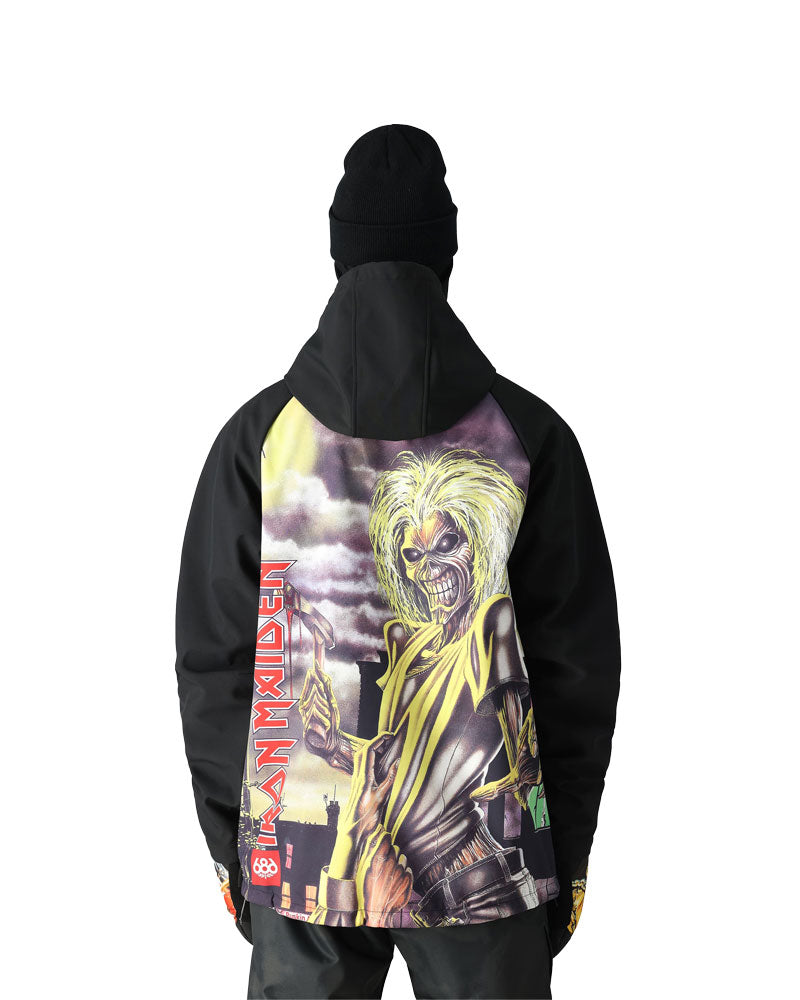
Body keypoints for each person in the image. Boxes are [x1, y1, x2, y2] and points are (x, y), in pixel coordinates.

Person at [176, 124, 620, 1000]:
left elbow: (215, 663)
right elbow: (579, 670)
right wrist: (562, 853)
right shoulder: (530, 437)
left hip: (314, 863)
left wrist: (238, 846)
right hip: (485, 884)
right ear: (445, 255)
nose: (427, 572)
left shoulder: (260, 440)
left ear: (339, 254)